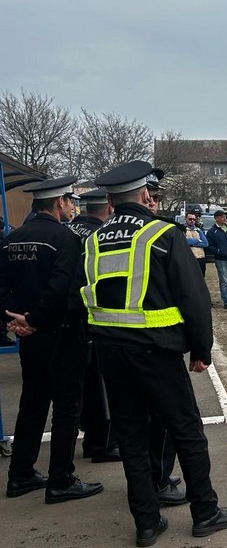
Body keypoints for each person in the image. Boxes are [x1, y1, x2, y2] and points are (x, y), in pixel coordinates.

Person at [75, 161, 227, 545]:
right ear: (146, 195)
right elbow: (193, 298)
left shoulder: (93, 240)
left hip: (110, 352)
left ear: (111, 200)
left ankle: (146, 523)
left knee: (131, 437)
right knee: (187, 432)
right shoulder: (162, 233)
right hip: (156, 352)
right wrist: (202, 349)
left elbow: (80, 293)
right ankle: (205, 511)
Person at [2, 177, 103, 504]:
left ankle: (20, 473)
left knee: (32, 402)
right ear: (59, 202)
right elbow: (62, 289)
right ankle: (61, 478)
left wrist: (16, 321)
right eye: (70, 201)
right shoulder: (64, 238)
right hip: (61, 332)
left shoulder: (11, 239)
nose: (72, 206)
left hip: (29, 335)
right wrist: (35, 320)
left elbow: (2, 287)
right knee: (66, 407)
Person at [69, 189, 121, 464]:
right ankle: (102, 442)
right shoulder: (98, 236)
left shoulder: (69, 230)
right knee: (102, 388)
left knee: (86, 386)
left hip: (69, 319)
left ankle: (92, 439)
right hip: (93, 320)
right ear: (109, 208)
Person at [182, 211, 209, 276]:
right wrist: (197, 241)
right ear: (185, 219)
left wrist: (192, 243)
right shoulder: (182, 230)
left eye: (194, 219)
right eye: (190, 219)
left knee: (201, 277)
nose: (192, 221)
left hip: (200, 258)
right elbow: (183, 242)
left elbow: (205, 243)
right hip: (188, 258)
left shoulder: (198, 230)